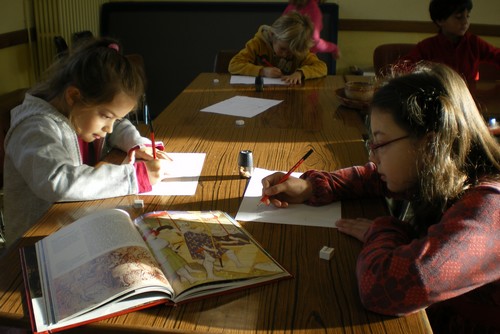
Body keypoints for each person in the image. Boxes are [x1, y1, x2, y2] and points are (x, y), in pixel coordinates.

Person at [261, 62, 500, 332]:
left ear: (430, 144)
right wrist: (312, 187)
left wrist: (384, 229)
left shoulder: (489, 210)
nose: (372, 156)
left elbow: (382, 288)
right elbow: (372, 176)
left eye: (380, 143)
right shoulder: (445, 168)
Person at [3, 37, 171, 248]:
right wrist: (135, 177)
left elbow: (118, 127)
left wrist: (136, 144)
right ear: (74, 96)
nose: (109, 127)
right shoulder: (35, 128)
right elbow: (58, 182)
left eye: (115, 118)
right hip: (35, 246)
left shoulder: (81, 115)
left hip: (75, 228)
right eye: (106, 116)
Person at [402, 0, 500, 83]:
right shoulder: (428, 46)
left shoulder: (474, 43)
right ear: (440, 20)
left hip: (469, 98)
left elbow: (496, 55)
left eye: (468, 16)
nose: (465, 22)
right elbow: (404, 66)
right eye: (459, 17)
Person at [228, 11, 327, 85]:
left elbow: (322, 67)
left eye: (291, 52)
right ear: (272, 35)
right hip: (259, 95)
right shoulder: (258, 43)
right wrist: (262, 71)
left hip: (291, 96)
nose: (286, 54)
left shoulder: (300, 50)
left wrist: (300, 73)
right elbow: (234, 65)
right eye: (282, 49)